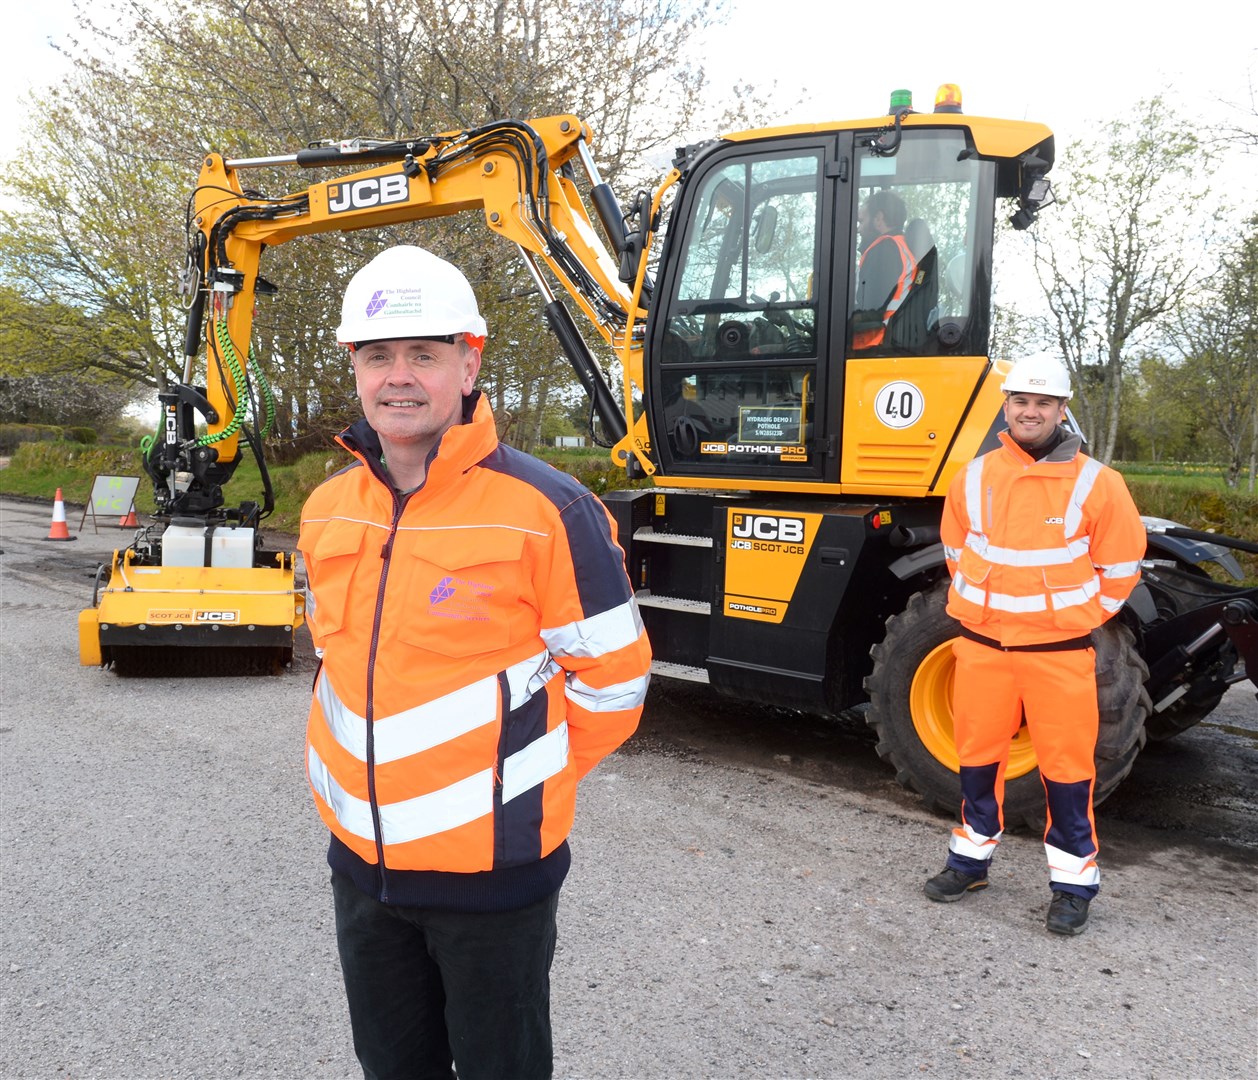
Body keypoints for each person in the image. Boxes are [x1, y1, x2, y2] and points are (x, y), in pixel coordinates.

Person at [298, 244, 652, 1078]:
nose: (399, 376)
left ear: (469, 363)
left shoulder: (548, 510)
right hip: (363, 872)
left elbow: (616, 682)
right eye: (379, 355)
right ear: (354, 368)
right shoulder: (325, 510)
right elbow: (335, 662)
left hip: (493, 883)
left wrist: (514, 789)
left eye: (424, 354)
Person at [923, 354, 1146, 936]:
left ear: (1061, 410)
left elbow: (1121, 565)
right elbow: (957, 555)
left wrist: (1076, 618)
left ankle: (1073, 886)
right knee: (976, 759)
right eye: (1021, 401)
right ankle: (968, 862)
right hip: (981, 649)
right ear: (1006, 406)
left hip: (1058, 655)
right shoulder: (972, 477)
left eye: (1043, 403)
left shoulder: (1100, 483)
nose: (1030, 411)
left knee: (1067, 770)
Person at [852, 189, 917, 349]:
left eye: (861, 221)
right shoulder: (899, 246)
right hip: (889, 342)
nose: (858, 229)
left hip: (875, 345)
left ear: (878, 218)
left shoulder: (884, 250)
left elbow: (870, 309)